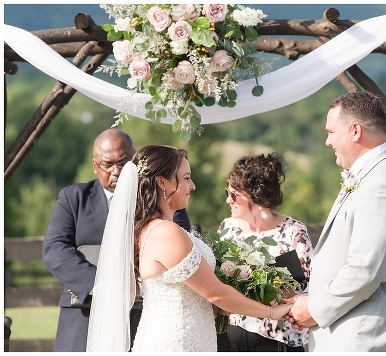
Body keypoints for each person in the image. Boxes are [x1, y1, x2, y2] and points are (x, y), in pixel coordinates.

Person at [84, 145, 293, 352]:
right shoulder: (165, 232)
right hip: (177, 341)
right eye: (186, 178)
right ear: (162, 182)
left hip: (189, 336)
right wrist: (272, 312)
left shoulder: (159, 229)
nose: (192, 185)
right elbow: (216, 294)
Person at [287, 91, 386, 351]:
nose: (327, 142)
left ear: (355, 131)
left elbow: (366, 270)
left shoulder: (383, 183)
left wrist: (314, 309)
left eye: (331, 132)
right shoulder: (375, 175)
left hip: (368, 338)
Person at [41, 129, 191, 352]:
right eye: (107, 164)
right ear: (95, 165)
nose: (116, 171)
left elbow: (180, 247)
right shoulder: (73, 198)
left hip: (143, 316)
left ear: (135, 160)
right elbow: (55, 249)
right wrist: (104, 287)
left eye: (123, 162)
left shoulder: (163, 197)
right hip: (84, 315)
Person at [218, 153, 313, 351]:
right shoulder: (227, 228)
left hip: (279, 340)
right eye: (227, 192)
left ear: (255, 196)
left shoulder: (293, 232)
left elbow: (304, 290)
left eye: (234, 194)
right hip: (231, 336)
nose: (228, 200)